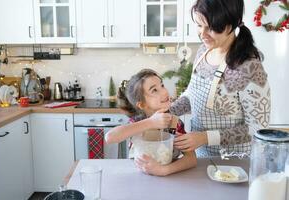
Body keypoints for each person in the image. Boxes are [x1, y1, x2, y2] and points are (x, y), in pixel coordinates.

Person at [170, 0, 271, 158]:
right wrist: (169, 111)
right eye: (198, 25)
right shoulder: (204, 51)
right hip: (201, 157)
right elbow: (192, 95)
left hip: (236, 163)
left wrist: (205, 137)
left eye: (210, 28)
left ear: (231, 24)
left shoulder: (248, 67)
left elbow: (257, 128)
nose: (202, 34)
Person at [105, 69, 197, 176]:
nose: (164, 92)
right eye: (154, 90)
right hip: (140, 178)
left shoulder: (174, 122)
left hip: (170, 179)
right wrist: (151, 122)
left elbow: (191, 159)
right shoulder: (137, 122)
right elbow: (110, 137)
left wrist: (163, 170)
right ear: (142, 105)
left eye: (162, 85)